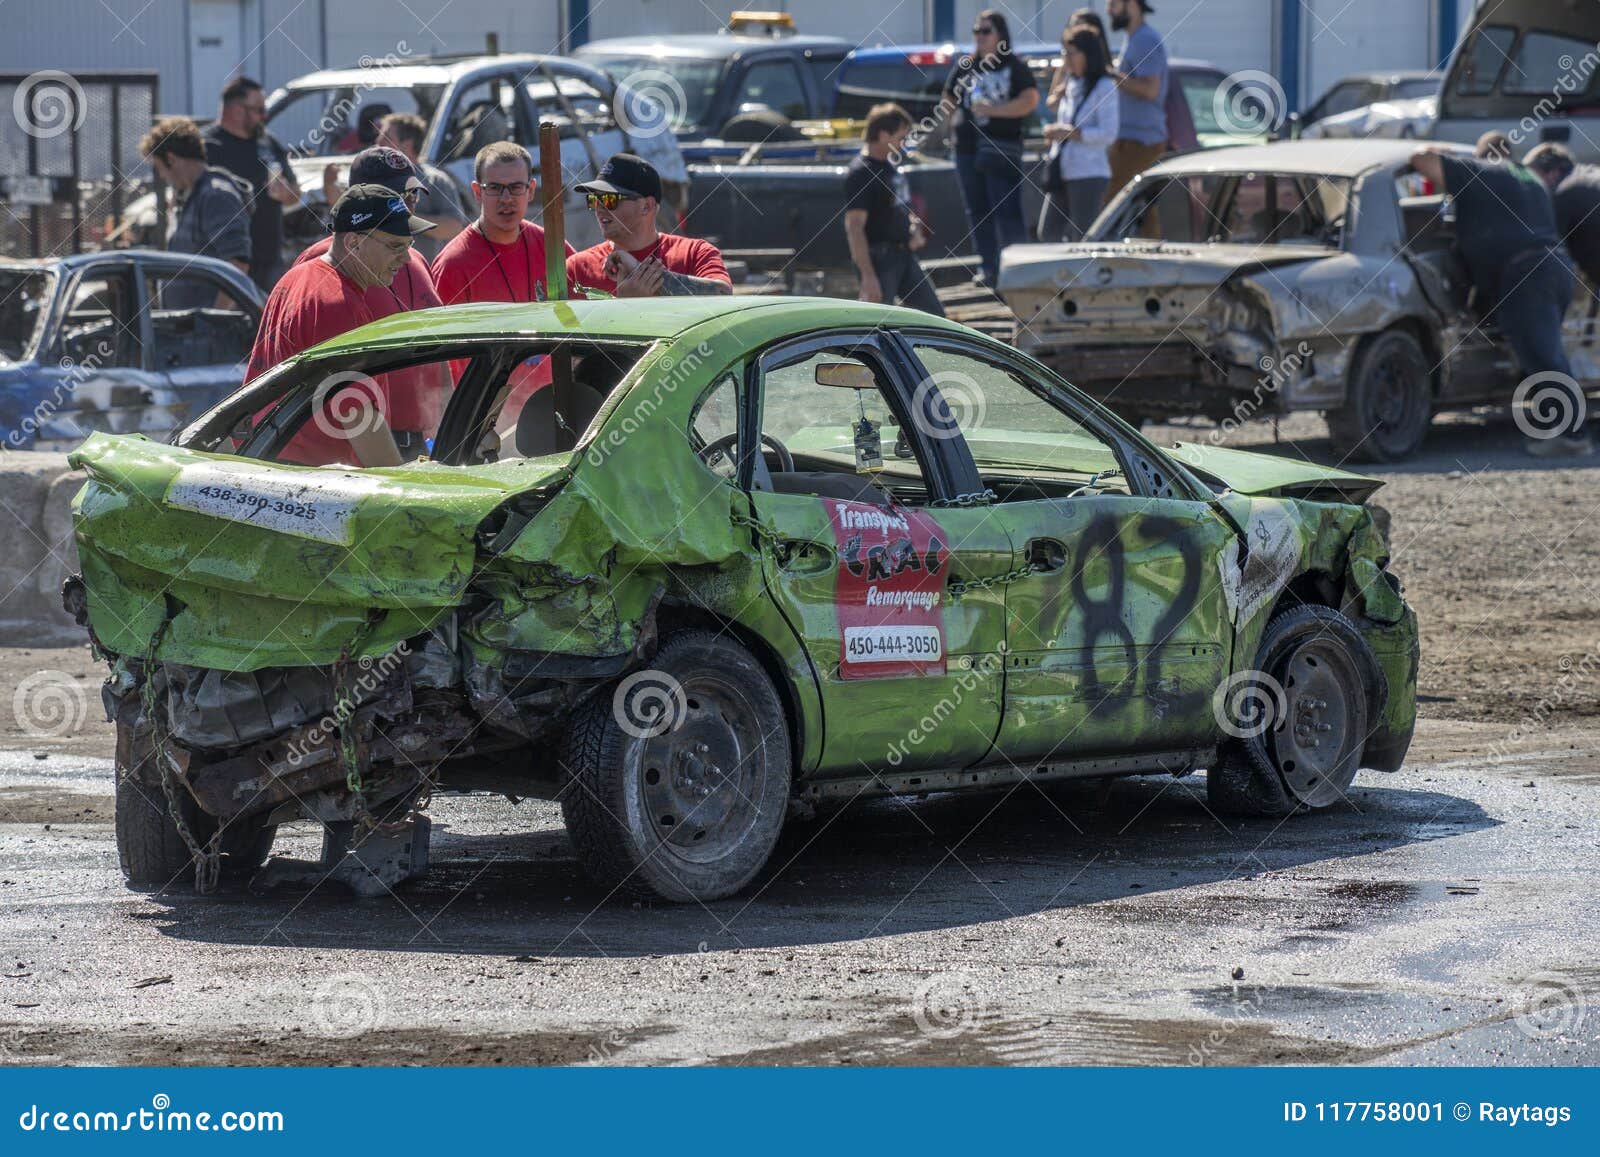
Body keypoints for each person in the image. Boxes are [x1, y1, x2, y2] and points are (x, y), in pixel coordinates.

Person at [1410, 146, 1591, 458]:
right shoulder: (1527, 177)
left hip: (1527, 274)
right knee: (1542, 353)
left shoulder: (1479, 171)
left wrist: (1444, 153)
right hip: (1554, 267)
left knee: (1544, 355)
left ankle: (1572, 435)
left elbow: (1420, 159)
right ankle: (1558, 425)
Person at [245, 185, 437, 466]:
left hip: (280, 471)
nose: (406, 259)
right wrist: (402, 491)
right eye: (396, 246)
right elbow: (359, 418)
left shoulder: (297, 277)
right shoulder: (337, 305)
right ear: (354, 243)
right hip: (315, 485)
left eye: (409, 245)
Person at [941, 9, 1040, 286]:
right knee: (977, 209)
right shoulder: (965, 66)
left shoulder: (1015, 67)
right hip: (967, 148)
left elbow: (1030, 100)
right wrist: (952, 124)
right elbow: (948, 98)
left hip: (1001, 148)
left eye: (986, 31)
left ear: (1000, 35)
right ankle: (989, 268)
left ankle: (1016, 269)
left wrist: (995, 110)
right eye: (976, 31)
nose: (980, 37)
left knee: (1007, 209)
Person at [298, 148, 442, 314]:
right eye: (394, 198)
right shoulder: (319, 262)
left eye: (413, 194)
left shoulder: (415, 259)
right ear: (360, 196)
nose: (407, 207)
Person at [431, 142, 574, 305]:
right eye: (494, 187)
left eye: (516, 187)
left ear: (531, 190)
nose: (506, 198)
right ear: (478, 192)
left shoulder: (552, 247)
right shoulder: (452, 265)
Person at [566, 154, 731, 296]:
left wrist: (637, 270)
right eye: (594, 200)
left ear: (647, 206)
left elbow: (723, 294)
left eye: (610, 200)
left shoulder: (694, 254)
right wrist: (622, 307)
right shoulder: (576, 268)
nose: (599, 208)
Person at [137, 115, 251, 307]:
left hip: (207, 331)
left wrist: (216, 320)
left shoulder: (216, 196)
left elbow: (238, 264)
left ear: (171, 159)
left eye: (159, 168)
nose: (163, 176)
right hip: (187, 330)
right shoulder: (187, 198)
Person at [202, 77, 302, 292]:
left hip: (269, 258)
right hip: (225, 260)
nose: (264, 116)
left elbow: (295, 193)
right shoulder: (207, 146)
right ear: (236, 110)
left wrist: (287, 194)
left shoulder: (268, 142)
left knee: (268, 321)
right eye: (258, 109)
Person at [843, 104, 944, 315]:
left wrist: (913, 228)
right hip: (879, 258)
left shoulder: (889, 167)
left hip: (903, 254)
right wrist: (868, 276)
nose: (904, 144)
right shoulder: (861, 174)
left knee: (934, 316)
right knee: (877, 321)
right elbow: (854, 228)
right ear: (882, 135)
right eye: (900, 137)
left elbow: (901, 206)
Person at [1039, 27, 1119, 242]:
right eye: (1064, 53)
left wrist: (1071, 133)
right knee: (1048, 233)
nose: (1067, 59)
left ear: (1088, 54)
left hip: (1089, 172)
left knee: (1083, 237)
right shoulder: (1072, 84)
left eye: (1071, 53)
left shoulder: (1104, 86)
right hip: (1063, 169)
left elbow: (1108, 134)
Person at [374, 111, 469, 259]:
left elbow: (454, 226)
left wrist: (407, 218)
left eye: (386, 137)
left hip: (422, 276)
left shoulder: (435, 181)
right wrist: (330, 185)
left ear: (406, 145)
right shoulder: (371, 178)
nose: (378, 141)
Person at [1104, 0, 1169, 205]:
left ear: (1132, 4)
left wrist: (1112, 75)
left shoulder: (1145, 39)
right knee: (1139, 215)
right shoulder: (1134, 38)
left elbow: (1150, 90)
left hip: (1140, 142)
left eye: (1113, 4)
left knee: (1114, 209)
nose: (1109, 10)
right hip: (1130, 140)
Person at [1525, 143, 1600, 287]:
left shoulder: (1565, 194)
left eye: (1533, 178)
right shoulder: (1589, 175)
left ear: (1553, 173)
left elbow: (1551, 253)